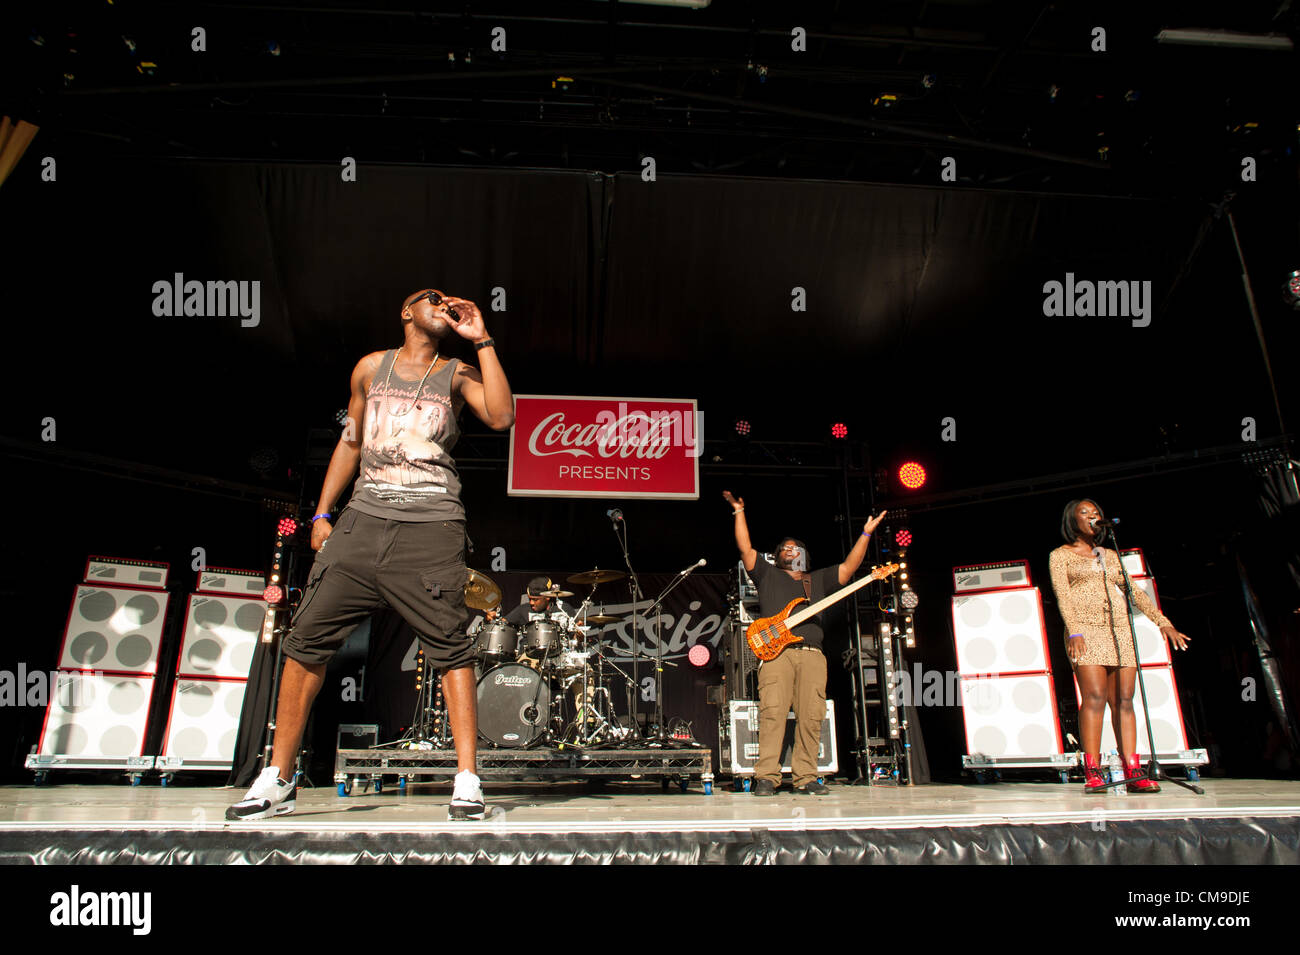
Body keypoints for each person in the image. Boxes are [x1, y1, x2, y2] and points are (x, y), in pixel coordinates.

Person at [227, 288, 514, 821]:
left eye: (448, 300)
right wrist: (321, 513)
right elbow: (352, 440)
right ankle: (277, 777)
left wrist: (484, 339)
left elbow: (501, 417)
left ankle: (468, 780)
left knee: (450, 645)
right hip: (361, 522)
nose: (441, 302)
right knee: (306, 639)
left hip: (431, 525)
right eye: (429, 297)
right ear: (406, 312)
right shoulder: (369, 368)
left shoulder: (458, 372)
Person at [724, 490, 886, 795]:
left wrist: (865, 532)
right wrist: (738, 511)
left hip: (812, 655)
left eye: (795, 547)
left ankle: (806, 776)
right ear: (778, 555)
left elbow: (850, 567)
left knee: (812, 716)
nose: (790, 548)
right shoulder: (768, 575)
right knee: (772, 713)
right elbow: (745, 547)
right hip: (778, 655)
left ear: (804, 555)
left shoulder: (819, 580)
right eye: (785, 547)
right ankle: (767, 778)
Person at [1048, 499, 1190, 794]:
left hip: (1119, 629)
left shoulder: (1109, 555)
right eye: (1084, 513)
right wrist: (1074, 631)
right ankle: (1093, 770)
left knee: (1124, 700)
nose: (1092, 517)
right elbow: (1063, 596)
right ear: (1072, 520)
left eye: (1096, 513)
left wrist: (1162, 622)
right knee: (1095, 697)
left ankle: (1133, 769)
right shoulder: (1059, 556)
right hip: (1084, 631)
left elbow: (1133, 591)